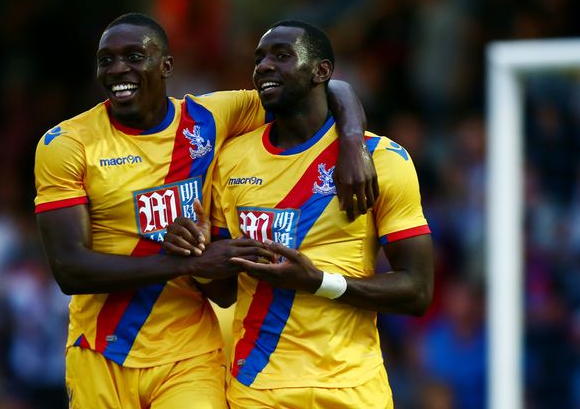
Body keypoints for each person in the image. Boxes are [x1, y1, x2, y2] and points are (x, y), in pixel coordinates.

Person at [34, 13, 377, 408]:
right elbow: (70, 269)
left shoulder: (209, 117)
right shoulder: (67, 143)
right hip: (101, 349)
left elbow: (324, 86)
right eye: (106, 60)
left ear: (166, 65)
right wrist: (187, 263)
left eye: (133, 56)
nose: (118, 70)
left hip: (190, 353)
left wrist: (352, 139)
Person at [164, 20, 434, 408]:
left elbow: (418, 291)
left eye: (281, 55)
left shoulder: (381, 160)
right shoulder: (232, 161)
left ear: (321, 71)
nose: (264, 66)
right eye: (259, 59)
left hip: (352, 387)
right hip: (257, 388)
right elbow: (225, 292)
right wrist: (195, 259)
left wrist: (319, 282)